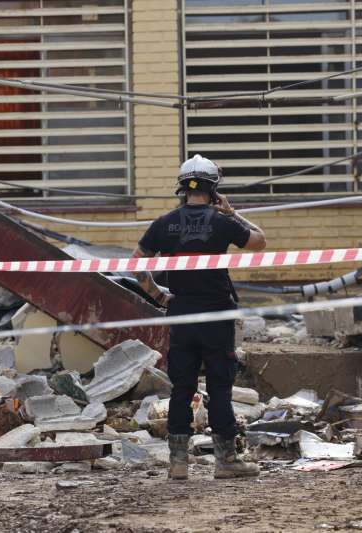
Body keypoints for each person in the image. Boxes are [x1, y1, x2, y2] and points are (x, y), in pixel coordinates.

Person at [132, 155, 267, 481]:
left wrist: (160, 295)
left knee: (182, 387)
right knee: (220, 387)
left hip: (180, 314)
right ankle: (226, 461)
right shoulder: (223, 222)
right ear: (213, 189)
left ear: (182, 188)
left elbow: (137, 264)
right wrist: (232, 211)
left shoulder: (164, 223)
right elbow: (260, 241)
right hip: (216, 315)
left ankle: (178, 463)